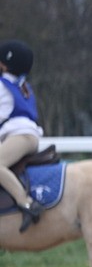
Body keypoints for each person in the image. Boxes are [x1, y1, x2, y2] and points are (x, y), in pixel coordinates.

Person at [0, 40, 44, 232]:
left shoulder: (2, 86)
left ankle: (25, 203)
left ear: (4, 65)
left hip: (20, 136)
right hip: (29, 135)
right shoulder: (23, 85)